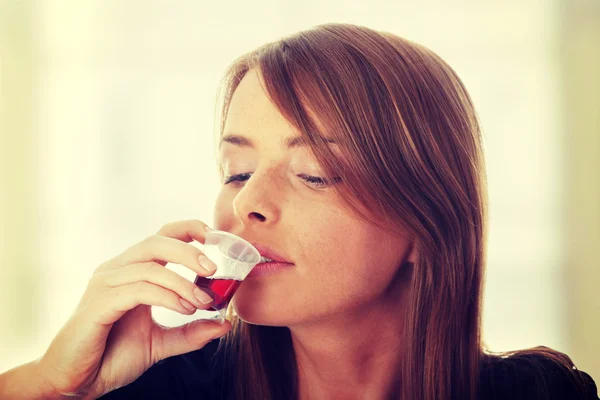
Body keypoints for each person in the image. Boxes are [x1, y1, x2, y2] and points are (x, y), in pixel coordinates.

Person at [0, 22, 597, 400]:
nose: (247, 204)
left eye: (313, 173)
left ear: (425, 221)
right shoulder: (164, 385)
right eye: (237, 171)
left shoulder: (544, 394)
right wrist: (51, 384)